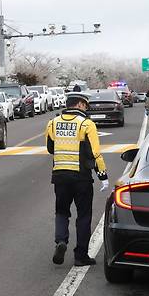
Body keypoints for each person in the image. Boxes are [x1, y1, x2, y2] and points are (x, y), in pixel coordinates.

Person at [46, 92, 109, 266]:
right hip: (81, 178)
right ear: (80, 104)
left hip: (59, 176)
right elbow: (95, 153)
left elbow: (50, 148)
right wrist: (103, 175)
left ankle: (61, 241)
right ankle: (81, 256)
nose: (86, 109)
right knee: (83, 216)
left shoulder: (53, 123)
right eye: (85, 106)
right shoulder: (86, 124)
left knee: (61, 211)